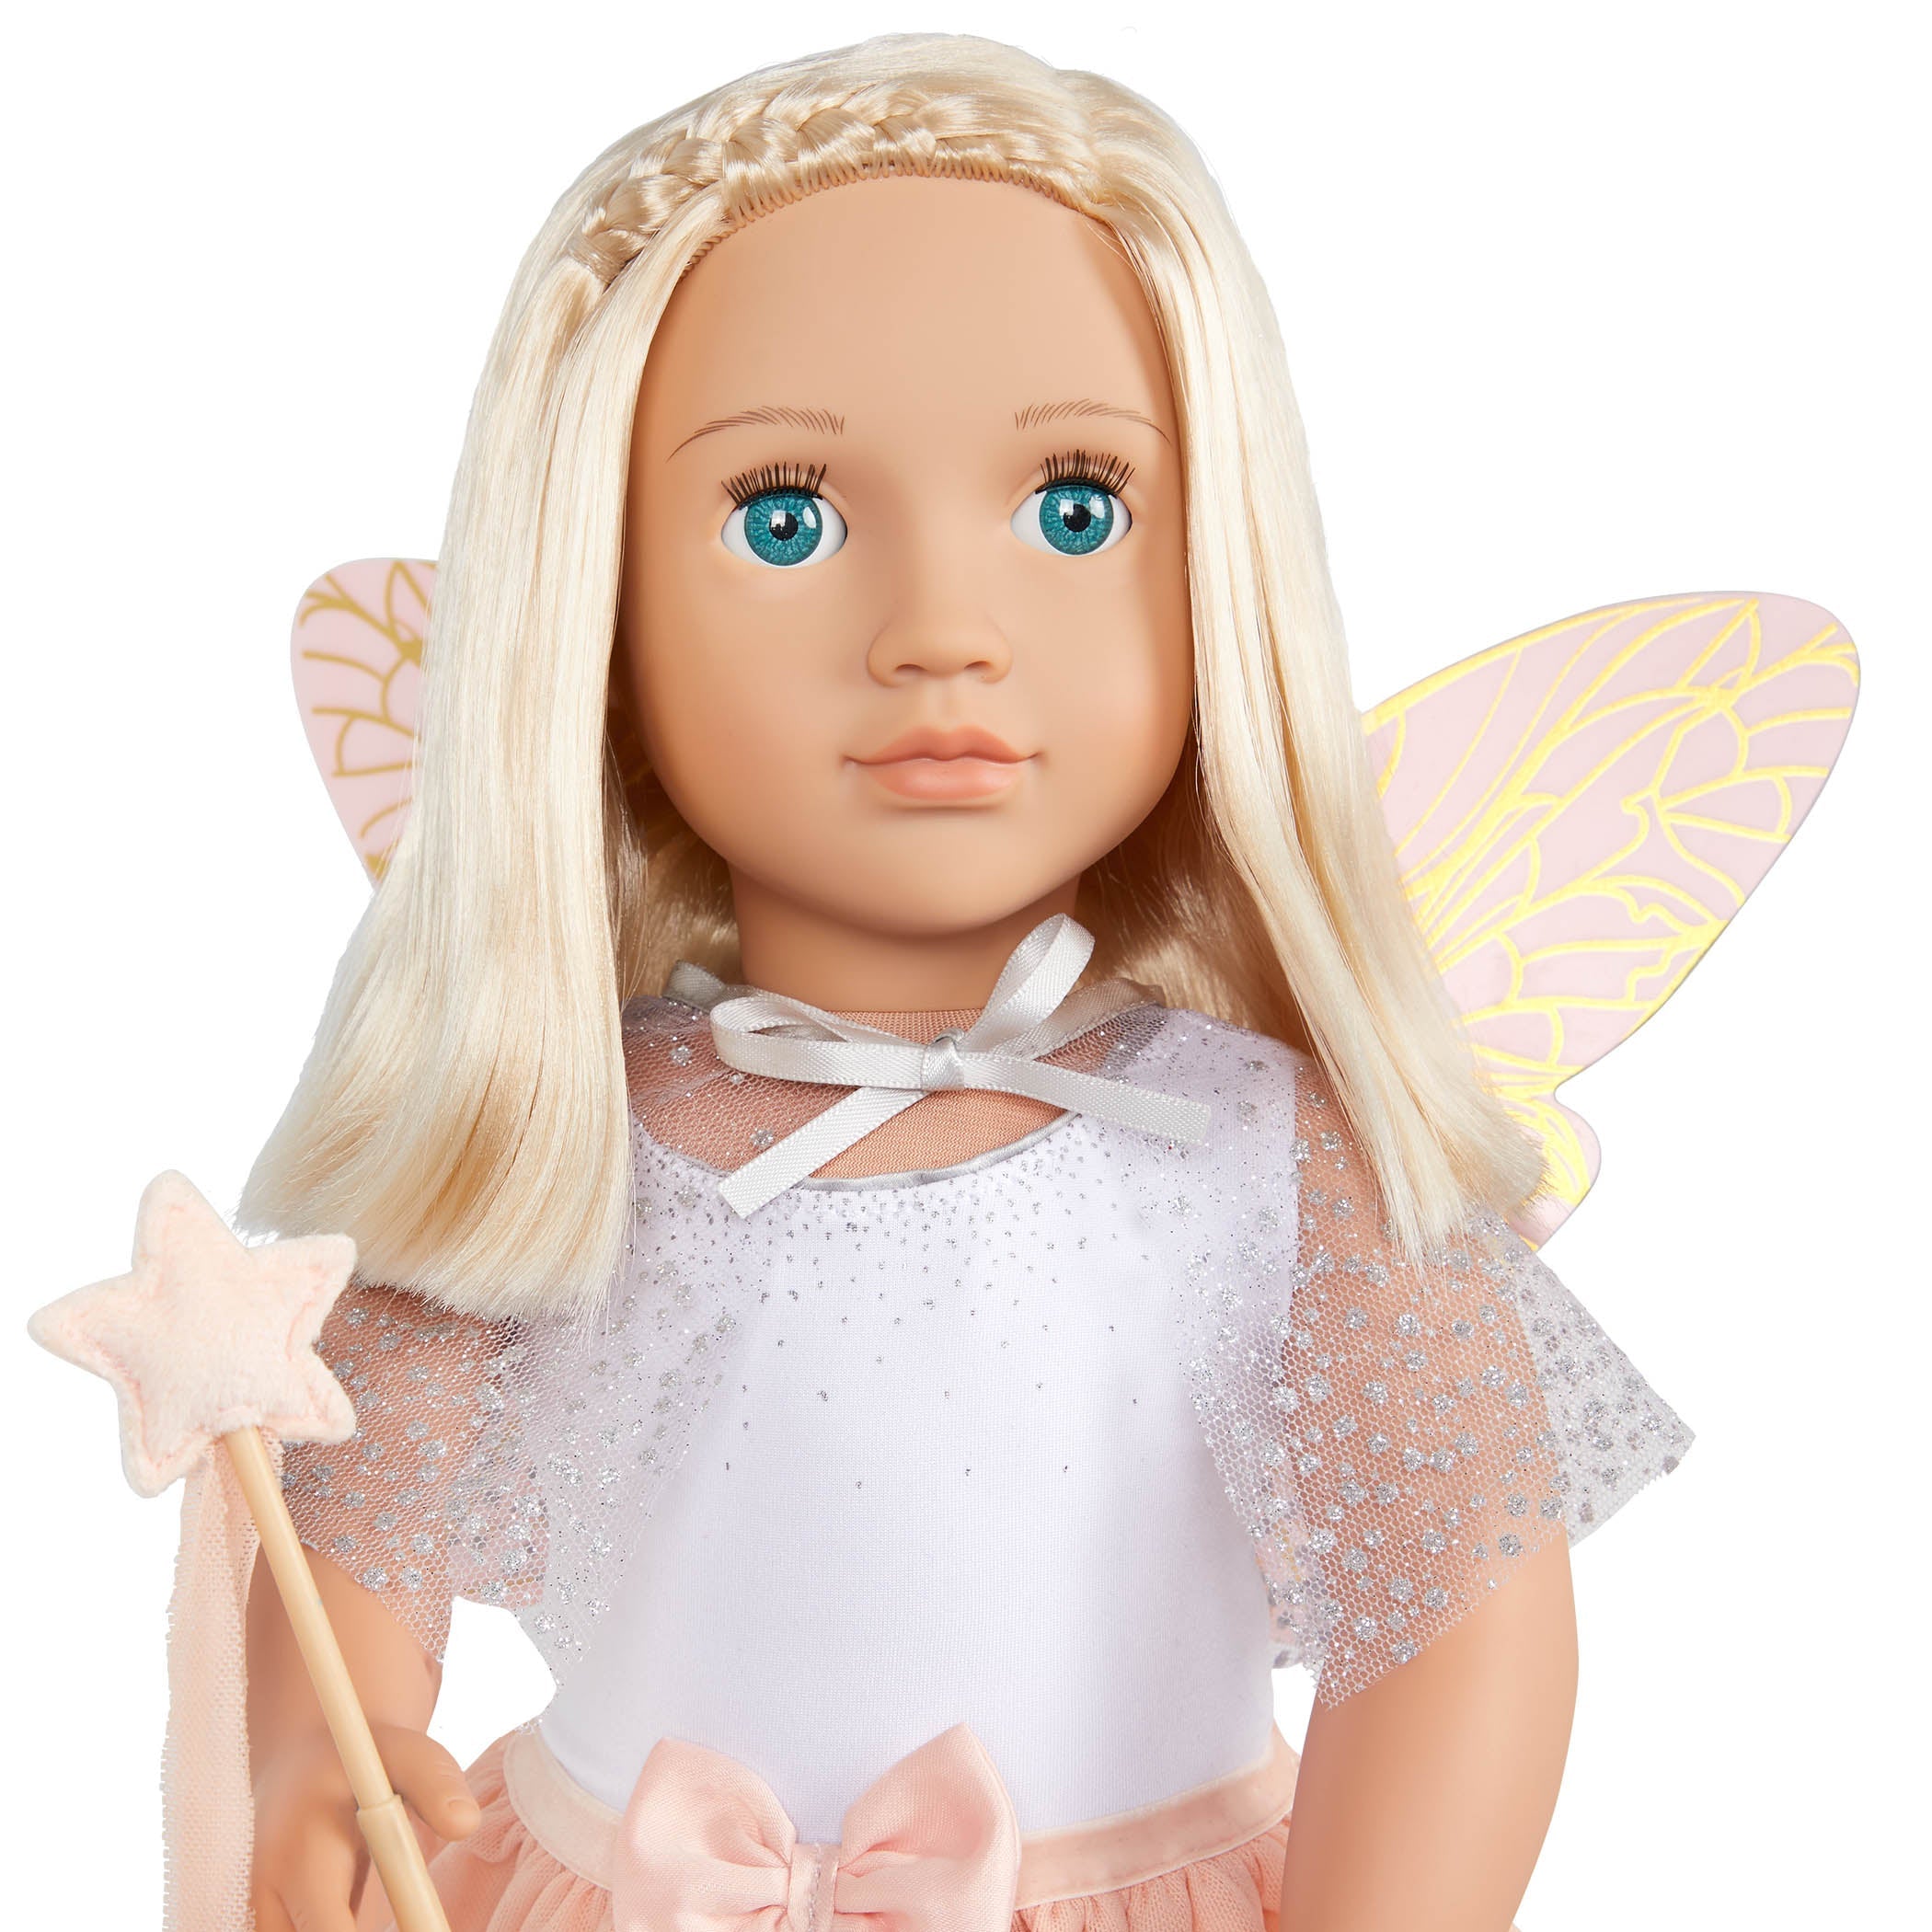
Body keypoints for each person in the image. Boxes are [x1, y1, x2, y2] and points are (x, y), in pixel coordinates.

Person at [198, 34, 1686, 1932]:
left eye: (1076, 508)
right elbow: (352, 1502)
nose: (939, 635)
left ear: (1217, 572)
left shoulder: (1253, 1155)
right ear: (599, 606)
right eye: (785, 519)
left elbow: (1463, 1604)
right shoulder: (569, 1133)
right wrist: (317, 1759)